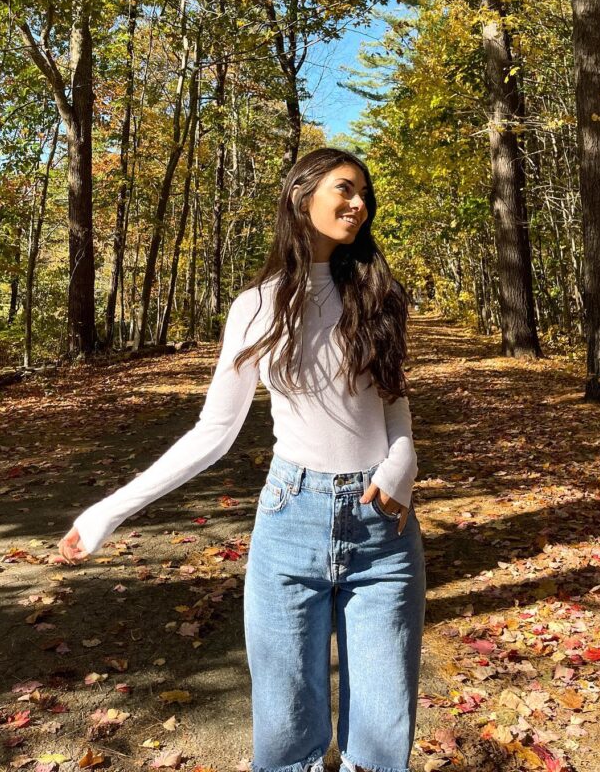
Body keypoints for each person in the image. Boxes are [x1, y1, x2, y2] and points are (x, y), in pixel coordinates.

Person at [56, 147, 427, 772]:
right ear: (300, 196)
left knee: (382, 745)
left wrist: (403, 463)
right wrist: (108, 512)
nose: (359, 203)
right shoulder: (255, 307)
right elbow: (214, 432)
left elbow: (392, 403)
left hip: (383, 529)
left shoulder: (377, 294)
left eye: (365, 193)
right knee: (286, 740)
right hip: (291, 523)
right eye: (344, 188)